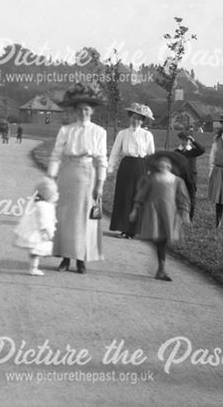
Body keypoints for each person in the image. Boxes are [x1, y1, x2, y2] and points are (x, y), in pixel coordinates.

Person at [47, 84, 107, 274]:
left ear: (92, 111)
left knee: (84, 218)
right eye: (80, 109)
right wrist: (50, 178)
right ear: (74, 111)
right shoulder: (66, 130)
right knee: (65, 216)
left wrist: (100, 184)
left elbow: (102, 160)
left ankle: (81, 259)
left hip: (88, 174)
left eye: (87, 110)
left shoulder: (99, 132)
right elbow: (56, 155)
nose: (83, 113)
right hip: (68, 174)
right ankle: (65, 258)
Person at [129, 151, 191, 281]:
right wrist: (135, 209)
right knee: (158, 239)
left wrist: (185, 213)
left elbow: (182, 198)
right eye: (161, 163)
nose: (163, 165)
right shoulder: (150, 179)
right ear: (157, 165)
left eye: (166, 163)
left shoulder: (177, 181)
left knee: (162, 240)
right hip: (153, 213)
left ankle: (161, 267)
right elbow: (141, 195)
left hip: (169, 213)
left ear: (170, 166)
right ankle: (160, 266)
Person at [107, 103, 156, 238]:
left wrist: (151, 173)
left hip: (141, 166)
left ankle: (133, 230)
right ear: (130, 118)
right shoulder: (122, 133)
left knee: (137, 197)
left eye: (139, 119)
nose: (135, 121)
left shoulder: (147, 135)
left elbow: (151, 155)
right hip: (126, 166)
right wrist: (110, 167)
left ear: (142, 121)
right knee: (124, 196)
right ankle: (123, 227)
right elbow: (115, 152)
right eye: (134, 117)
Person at [13, 177, 58, 276]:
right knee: (36, 252)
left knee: (36, 252)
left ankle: (33, 267)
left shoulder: (38, 203)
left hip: (36, 230)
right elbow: (43, 221)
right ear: (48, 195)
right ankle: (33, 268)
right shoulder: (44, 206)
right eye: (54, 194)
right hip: (38, 232)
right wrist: (46, 232)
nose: (56, 196)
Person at [174, 131, 205, 221]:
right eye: (182, 140)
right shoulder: (178, 151)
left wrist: (193, 141)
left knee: (191, 198)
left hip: (191, 177)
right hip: (180, 177)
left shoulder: (193, 151)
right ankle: (179, 217)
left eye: (185, 140)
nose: (183, 141)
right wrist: (180, 147)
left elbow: (202, 150)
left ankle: (190, 218)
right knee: (179, 197)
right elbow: (175, 156)